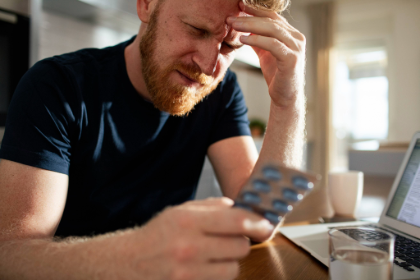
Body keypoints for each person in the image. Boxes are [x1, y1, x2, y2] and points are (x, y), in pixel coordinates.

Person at [0, 0, 306, 278]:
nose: (208, 67)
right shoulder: (57, 87)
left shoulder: (221, 92)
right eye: (197, 29)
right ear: (146, 5)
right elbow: (10, 255)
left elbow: (259, 221)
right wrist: (135, 253)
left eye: (228, 46)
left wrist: (288, 104)